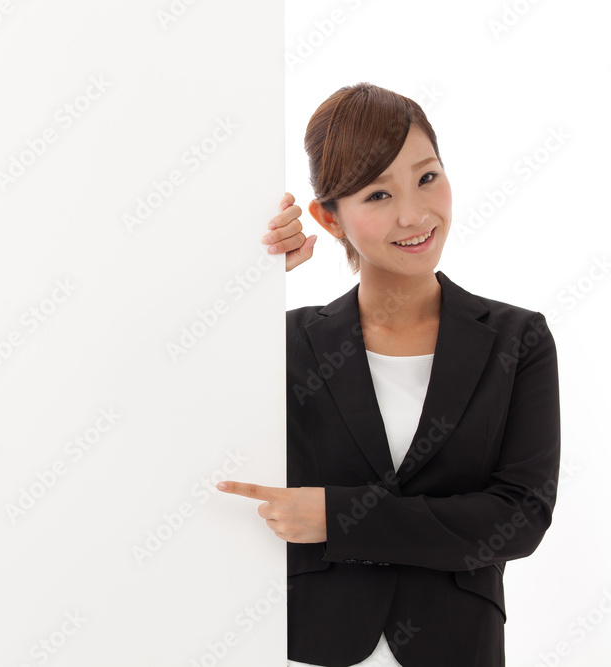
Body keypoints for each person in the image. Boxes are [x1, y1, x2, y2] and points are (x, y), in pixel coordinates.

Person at [216, 83, 560, 666]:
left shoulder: (517, 339)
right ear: (330, 218)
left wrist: (337, 517)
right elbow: (179, 412)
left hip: (456, 646)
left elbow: (519, 517)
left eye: (427, 177)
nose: (414, 214)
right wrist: (254, 280)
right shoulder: (288, 343)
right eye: (377, 194)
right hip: (309, 647)